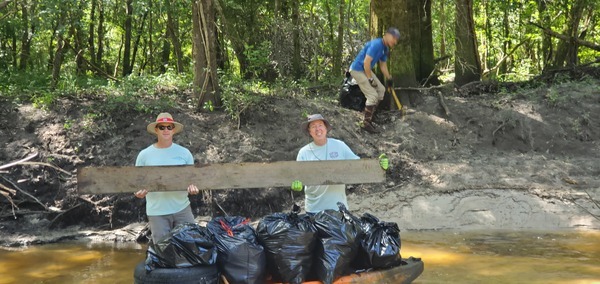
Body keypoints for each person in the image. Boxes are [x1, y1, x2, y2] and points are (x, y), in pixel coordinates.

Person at [134, 112, 200, 244]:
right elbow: (136, 183)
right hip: (157, 212)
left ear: (173, 130)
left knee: (191, 246)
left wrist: (194, 189)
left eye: (169, 127)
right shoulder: (144, 155)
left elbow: (192, 180)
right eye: (162, 127)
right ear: (156, 130)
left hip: (182, 209)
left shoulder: (185, 153)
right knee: (162, 251)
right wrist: (138, 193)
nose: (165, 130)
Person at [292, 114, 360, 214]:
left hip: (338, 208)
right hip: (314, 210)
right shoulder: (303, 152)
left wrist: (379, 165)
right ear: (310, 132)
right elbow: (297, 177)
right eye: (313, 126)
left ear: (325, 128)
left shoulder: (339, 145)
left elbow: (358, 164)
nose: (317, 129)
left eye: (320, 125)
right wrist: (296, 184)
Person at [349, 27, 400, 133]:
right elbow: (366, 63)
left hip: (365, 69)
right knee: (372, 95)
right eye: (393, 38)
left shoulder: (385, 49)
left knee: (381, 89)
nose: (395, 41)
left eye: (396, 39)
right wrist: (370, 79)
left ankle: (371, 116)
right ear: (387, 35)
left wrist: (389, 78)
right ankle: (366, 123)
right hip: (358, 69)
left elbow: (383, 66)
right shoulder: (376, 44)